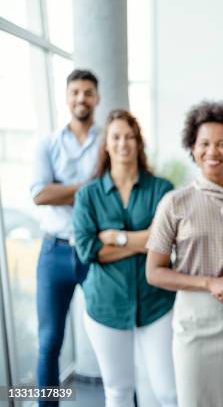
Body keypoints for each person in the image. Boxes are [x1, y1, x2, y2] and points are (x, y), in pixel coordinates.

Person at [146, 101, 223, 406]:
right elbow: (154, 272)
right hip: (195, 327)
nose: (213, 151)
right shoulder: (174, 203)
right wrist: (210, 283)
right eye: (204, 143)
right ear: (192, 148)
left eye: (222, 144)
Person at [73, 110, 176, 407]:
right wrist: (144, 241)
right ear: (106, 144)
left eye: (130, 137)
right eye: (116, 137)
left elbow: (165, 244)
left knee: (168, 391)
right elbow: (87, 250)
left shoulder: (162, 189)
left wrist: (115, 238)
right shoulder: (87, 195)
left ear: (138, 143)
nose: (123, 144)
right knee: (118, 391)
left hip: (155, 302)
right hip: (105, 305)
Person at [30, 69, 101, 404]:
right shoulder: (48, 143)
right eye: (75, 92)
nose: (81, 98)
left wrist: (65, 190)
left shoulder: (107, 142)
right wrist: (88, 188)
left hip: (96, 253)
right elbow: (40, 195)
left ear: (96, 98)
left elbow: (111, 193)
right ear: (66, 96)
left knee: (111, 333)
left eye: (88, 92)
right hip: (54, 252)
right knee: (49, 342)